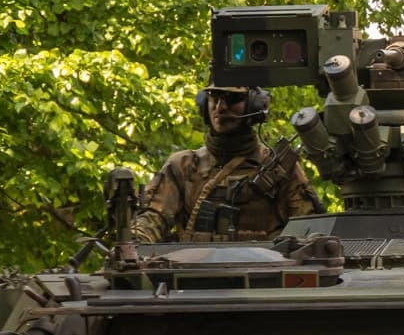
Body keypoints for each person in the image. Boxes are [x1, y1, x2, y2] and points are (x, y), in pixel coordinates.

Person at [129, 84, 323, 244]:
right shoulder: (183, 166)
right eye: (214, 98)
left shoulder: (279, 167)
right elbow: (153, 219)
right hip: (193, 271)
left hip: (265, 273)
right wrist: (135, 242)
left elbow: (309, 229)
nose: (220, 107)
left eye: (232, 99)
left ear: (254, 106)